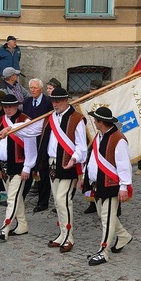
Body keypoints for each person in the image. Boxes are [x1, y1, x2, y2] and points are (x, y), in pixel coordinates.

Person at [0, 93, 41, 240]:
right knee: (16, 197)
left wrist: (27, 167)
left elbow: (30, 147)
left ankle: (6, 227)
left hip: (18, 165)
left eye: (10, 106)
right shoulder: (0, 120)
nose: (8, 109)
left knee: (11, 198)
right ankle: (22, 225)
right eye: (5, 107)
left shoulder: (25, 121)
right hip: (4, 165)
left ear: (16, 106)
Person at [38, 87, 87, 253]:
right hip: (52, 162)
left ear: (66, 100)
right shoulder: (50, 117)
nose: (55, 104)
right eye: (53, 101)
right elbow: (33, 129)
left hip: (68, 163)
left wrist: (74, 158)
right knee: (58, 201)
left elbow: (81, 147)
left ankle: (69, 236)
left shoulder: (77, 119)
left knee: (63, 200)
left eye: (58, 101)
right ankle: (62, 233)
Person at [82, 107, 133, 266]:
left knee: (107, 218)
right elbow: (93, 159)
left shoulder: (118, 139)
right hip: (98, 183)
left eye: (96, 120)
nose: (94, 123)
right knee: (103, 214)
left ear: (101, 122)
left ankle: (103, 251)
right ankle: (123, 235)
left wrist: (124, 187)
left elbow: (124, 165)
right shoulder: (99, 136)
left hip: (111, 185)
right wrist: (87, 176)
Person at [22, 78, 54, 212]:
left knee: (43, 170)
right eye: (31, 88)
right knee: (28, 166)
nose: (33, 90)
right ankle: (20, 197)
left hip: (43, 139)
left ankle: (43, 201)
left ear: (40, 89)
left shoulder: (48, 102)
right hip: (30, 139)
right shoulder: (27, 102)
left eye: (35, 88)